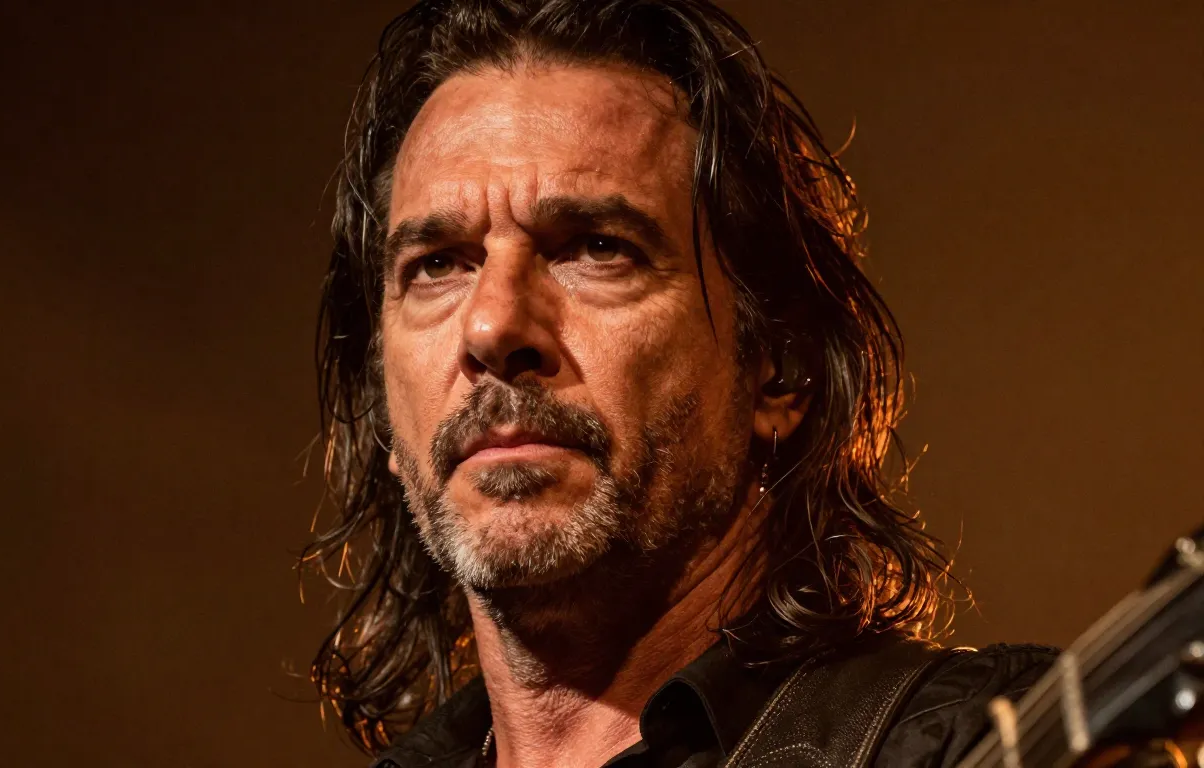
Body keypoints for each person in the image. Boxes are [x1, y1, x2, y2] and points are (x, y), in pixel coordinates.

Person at [302, 2, 1061, 766]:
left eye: (597, 248)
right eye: (436, 265)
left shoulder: (984, 743)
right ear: (382, 404)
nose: (492, 327)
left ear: (780, 370)